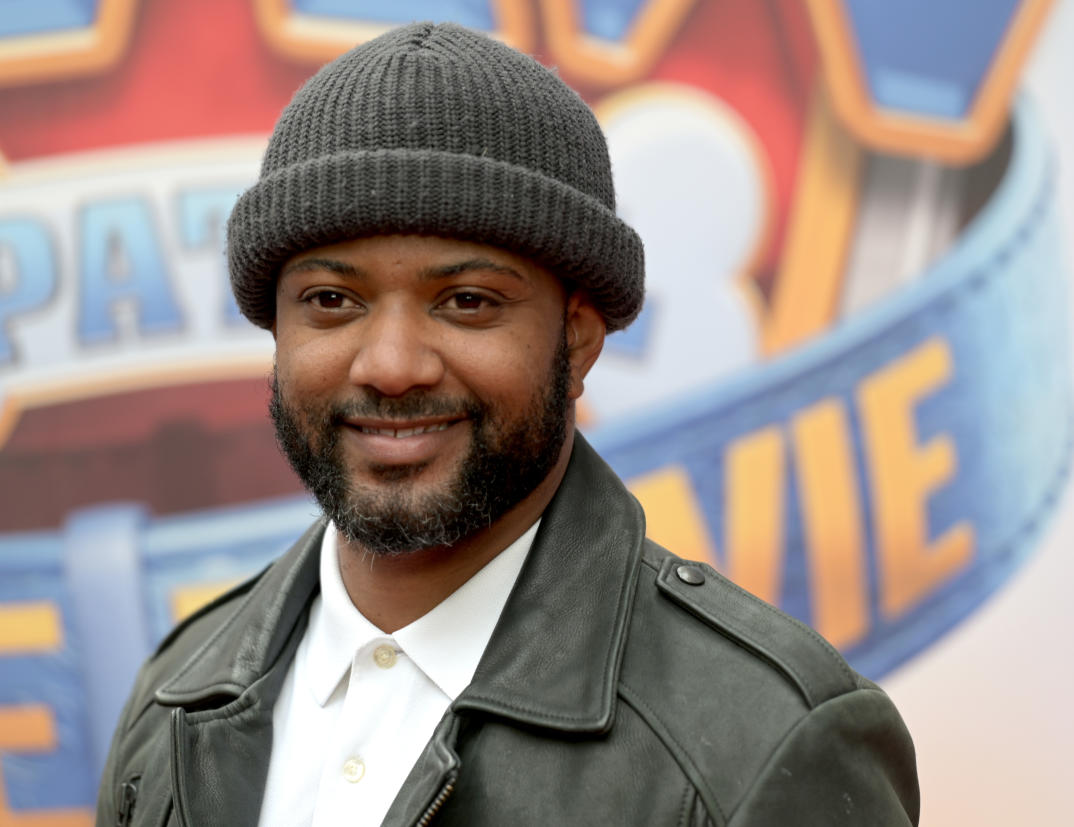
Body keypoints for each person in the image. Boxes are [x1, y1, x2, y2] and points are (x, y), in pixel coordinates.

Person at [96, 21, 919, 827]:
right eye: (331, 301)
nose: (390, 364)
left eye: (467, 301)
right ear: (277, 331)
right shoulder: (177, 691)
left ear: (580, 335)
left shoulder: (764, 741)